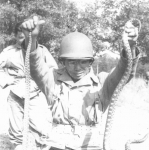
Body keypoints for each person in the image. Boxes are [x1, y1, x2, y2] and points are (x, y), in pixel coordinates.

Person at [19, 16, 141, 150]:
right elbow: (35, 67)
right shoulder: (52, 80)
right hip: (58, 144)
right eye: (71, 62)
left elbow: (124, 73)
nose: (77, 68)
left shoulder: (102, 83)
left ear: (90, 62)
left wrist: (130, 46)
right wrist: (31, 39)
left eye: (83, 62)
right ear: (63, 62)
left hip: (92, 145)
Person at [0, 21, 57, 150]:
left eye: (25, 36)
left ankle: (41, 146)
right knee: (15, 126)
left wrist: (43, 81)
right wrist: (6, 80)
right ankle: (18, 146)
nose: (22, 38)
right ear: (15, 35)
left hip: (35, 91)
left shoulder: (41, 50)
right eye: (20, 35)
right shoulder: (9, 51)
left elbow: (53, 68)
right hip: (16, 91)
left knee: (39, 125)